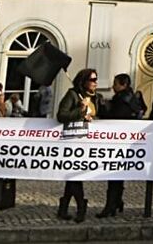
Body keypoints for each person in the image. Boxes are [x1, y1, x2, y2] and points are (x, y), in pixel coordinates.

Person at [56, 68, 102, 223]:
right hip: (73, 141)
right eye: (92, 80)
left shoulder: (95, 97)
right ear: (84, 81)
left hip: (88, 142)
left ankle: (63, 208)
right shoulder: (72, 95)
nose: (95, 83)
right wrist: (80, 110)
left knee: (72, 175)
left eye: (96, 79)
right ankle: (81, 206)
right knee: (75, 174)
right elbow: (61, 115)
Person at [97, 73, 141, 218]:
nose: (113, 86)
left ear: (123, 85)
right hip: (127, 142)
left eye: (115, 84)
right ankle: (117, 202)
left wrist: (103, 108)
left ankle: (111, 205)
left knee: (114, 175)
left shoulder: (121, 100)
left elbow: (113, 119)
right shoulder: (132, 98)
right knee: (118, 175)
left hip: (118, 142)